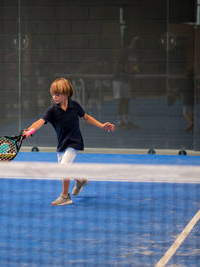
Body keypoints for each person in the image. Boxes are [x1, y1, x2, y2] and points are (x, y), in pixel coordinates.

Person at [23, 78, 115, 206]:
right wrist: (29, 131)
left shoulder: (75, 106)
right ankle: (81, 180)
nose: (55, 96)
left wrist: (102, 125)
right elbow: (40, 122)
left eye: (58, 94)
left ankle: (65, 196)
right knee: (63, 169)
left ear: (66, 93)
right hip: (61, 144)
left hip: (74, 142)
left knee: (64, 167)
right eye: (53, 94)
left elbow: (86, 117)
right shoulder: (52, 111)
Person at [112, 36, 141, 130]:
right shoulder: (125, 52)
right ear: (132, 43)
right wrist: (127, 70)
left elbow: (134, 67)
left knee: (127, 100)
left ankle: (127, 121)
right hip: (119, 80)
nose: (137, 46)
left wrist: (134, 72)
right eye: (136, 43)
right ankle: (120, 122)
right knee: (121, 100)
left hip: (127, 80)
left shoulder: (134, 54)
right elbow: (117, 65)